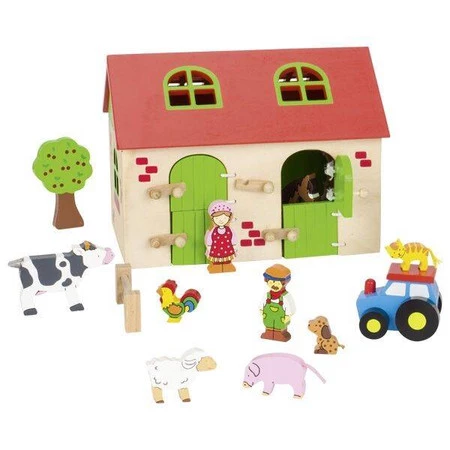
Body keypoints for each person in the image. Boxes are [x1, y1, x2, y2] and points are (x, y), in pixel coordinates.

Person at [260, 264, 296, 342]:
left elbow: (291, 307)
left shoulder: (286, 296)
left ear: (284, 283)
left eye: (277, 283)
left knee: (280, 325)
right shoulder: (267, 295)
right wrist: (261, 311)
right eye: (272, 282)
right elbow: (261, 305)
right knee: (268, 324)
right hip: (268, 316)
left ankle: (280, 334)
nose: (274, 285)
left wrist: (287, 315)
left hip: (281, 318)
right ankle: (268, 333)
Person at [204, 200, 237, 274]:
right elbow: (209, 239)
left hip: (227, 248)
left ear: (229, 218)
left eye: (225, 218)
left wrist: (234, 245)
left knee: (227, 259)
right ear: (212, 218)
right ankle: (216, 266)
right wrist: (209, 246)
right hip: (216, 249)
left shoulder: (229, 229)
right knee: (216, 260)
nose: (221, 221)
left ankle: (227, 265)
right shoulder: (213, 230)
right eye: (217, 218)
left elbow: (233, 238)